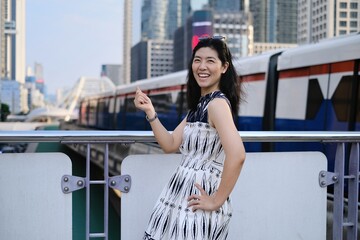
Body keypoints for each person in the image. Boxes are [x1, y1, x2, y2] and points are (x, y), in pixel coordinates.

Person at [134, 36, 246, 240]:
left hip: (198, 200)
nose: (202, 66)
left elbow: (237, 155)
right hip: (181, 196)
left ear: (224, 67)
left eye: (210, 61)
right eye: (197, 60)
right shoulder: (199, 106)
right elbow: (170, 144)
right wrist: (150, 111)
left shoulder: (217, 105)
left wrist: (215, 201)